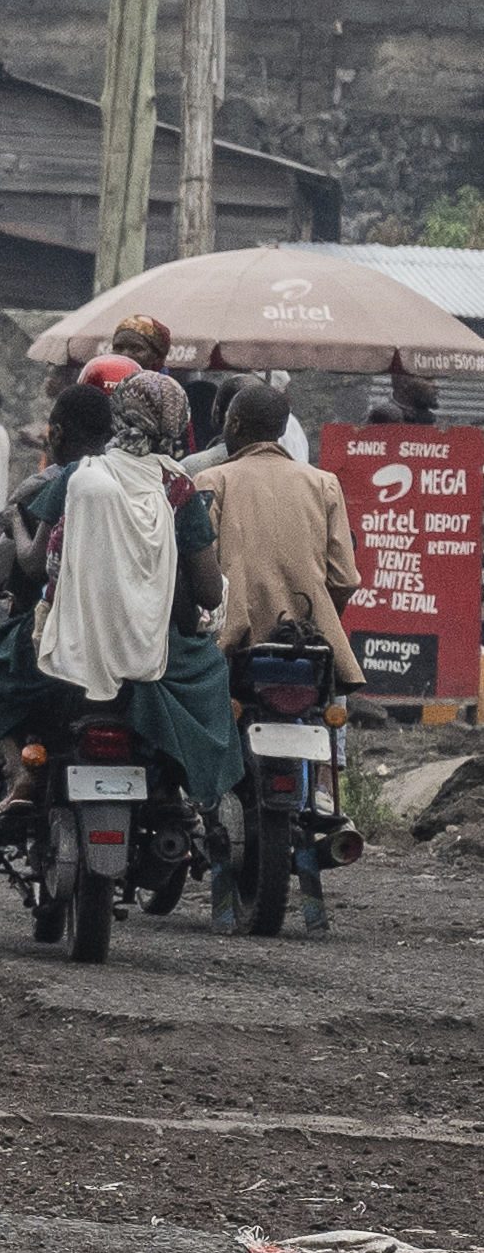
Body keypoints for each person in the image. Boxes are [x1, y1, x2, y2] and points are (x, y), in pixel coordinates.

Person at [0, 373, 237, 847]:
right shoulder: (180, 489)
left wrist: (17, 523)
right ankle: (170, 787)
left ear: (119, 418)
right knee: (210, 673)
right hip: (152, 652)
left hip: (67, 644)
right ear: (179, 424)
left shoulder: (76, 474)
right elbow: (208, 593)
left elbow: (33, 562)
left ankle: (19, 773)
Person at [193, 382, 363, 932]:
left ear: (234, 426)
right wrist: (313, 617)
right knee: (322, 729)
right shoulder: (324, 484)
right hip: (310, 651)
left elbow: (199, 576)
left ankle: (201, 806)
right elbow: (345, 578)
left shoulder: (212, 481)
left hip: (233, 647)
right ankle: (316, 806)